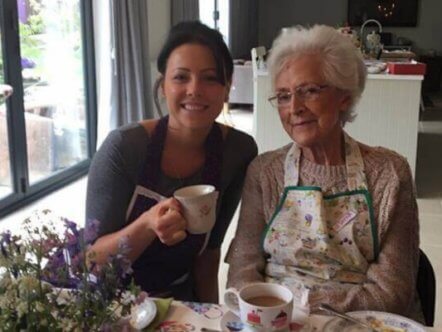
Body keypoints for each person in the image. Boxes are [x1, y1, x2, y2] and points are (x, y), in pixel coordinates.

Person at [227, 25, 422, 321]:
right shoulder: (265, 172)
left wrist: (305, 309)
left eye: (309, 91)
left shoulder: (389, 174)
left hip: (358, 324)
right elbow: (242, 268)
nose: (295, 108)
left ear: (344, 96)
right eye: (283, 96)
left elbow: (392, 291)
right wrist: (263, 312)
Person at [86, 21, 257, 303]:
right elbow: (92, 263)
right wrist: (147, 225)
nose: (195, 89)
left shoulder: (238, 151)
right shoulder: (125, 147)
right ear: (163, 85)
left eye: (210, 78)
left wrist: (210, 318)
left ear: (227, 88)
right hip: (109, 303)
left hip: (177, 300)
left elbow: (209, 252)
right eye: (181, 77)